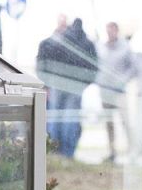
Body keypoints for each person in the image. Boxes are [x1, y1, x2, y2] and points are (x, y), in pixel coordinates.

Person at [36, 17, 98, 158]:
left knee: (55, 117)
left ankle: (53, 150)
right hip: (75, 86)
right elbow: (94, 67)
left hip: (58, 84)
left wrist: (48, 83)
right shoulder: (87, 43)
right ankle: (68, 152)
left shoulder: (61, 40)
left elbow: (48, 62)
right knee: (70, 118)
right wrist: (83, 83)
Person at [96, 22, 138, 162]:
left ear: (117, 31)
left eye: (112, 30)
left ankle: (133, 152)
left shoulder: (125, 47)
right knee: (109, 122)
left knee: (125, 120)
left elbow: (134, 68)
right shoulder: (101, 47)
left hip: (119, 91)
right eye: (107, 30)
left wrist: (122, 81)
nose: (109, 33)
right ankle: (112, 152)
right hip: (105, 91)